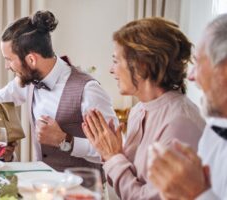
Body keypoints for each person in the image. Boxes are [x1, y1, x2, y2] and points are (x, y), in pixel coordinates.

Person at [0, 10, 118, 171]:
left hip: (84, 190)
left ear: (31, 59)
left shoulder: (88, 90)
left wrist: (65, 140)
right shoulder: (28, 81)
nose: (7, 66)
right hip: (45, 187)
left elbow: (115, 147)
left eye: (9, 59)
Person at [82, 17, 206, 199]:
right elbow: (125, 185)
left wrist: (113, 157)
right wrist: (110, 153)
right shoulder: (139, 110)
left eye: (116, 61)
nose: (111, 70)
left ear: (142, 66)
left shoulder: (180, 123)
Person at [147, 14, 227, 200]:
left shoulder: (181, 119)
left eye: (198, 62)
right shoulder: (213, 131)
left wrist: (197, 195)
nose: (191, 76)